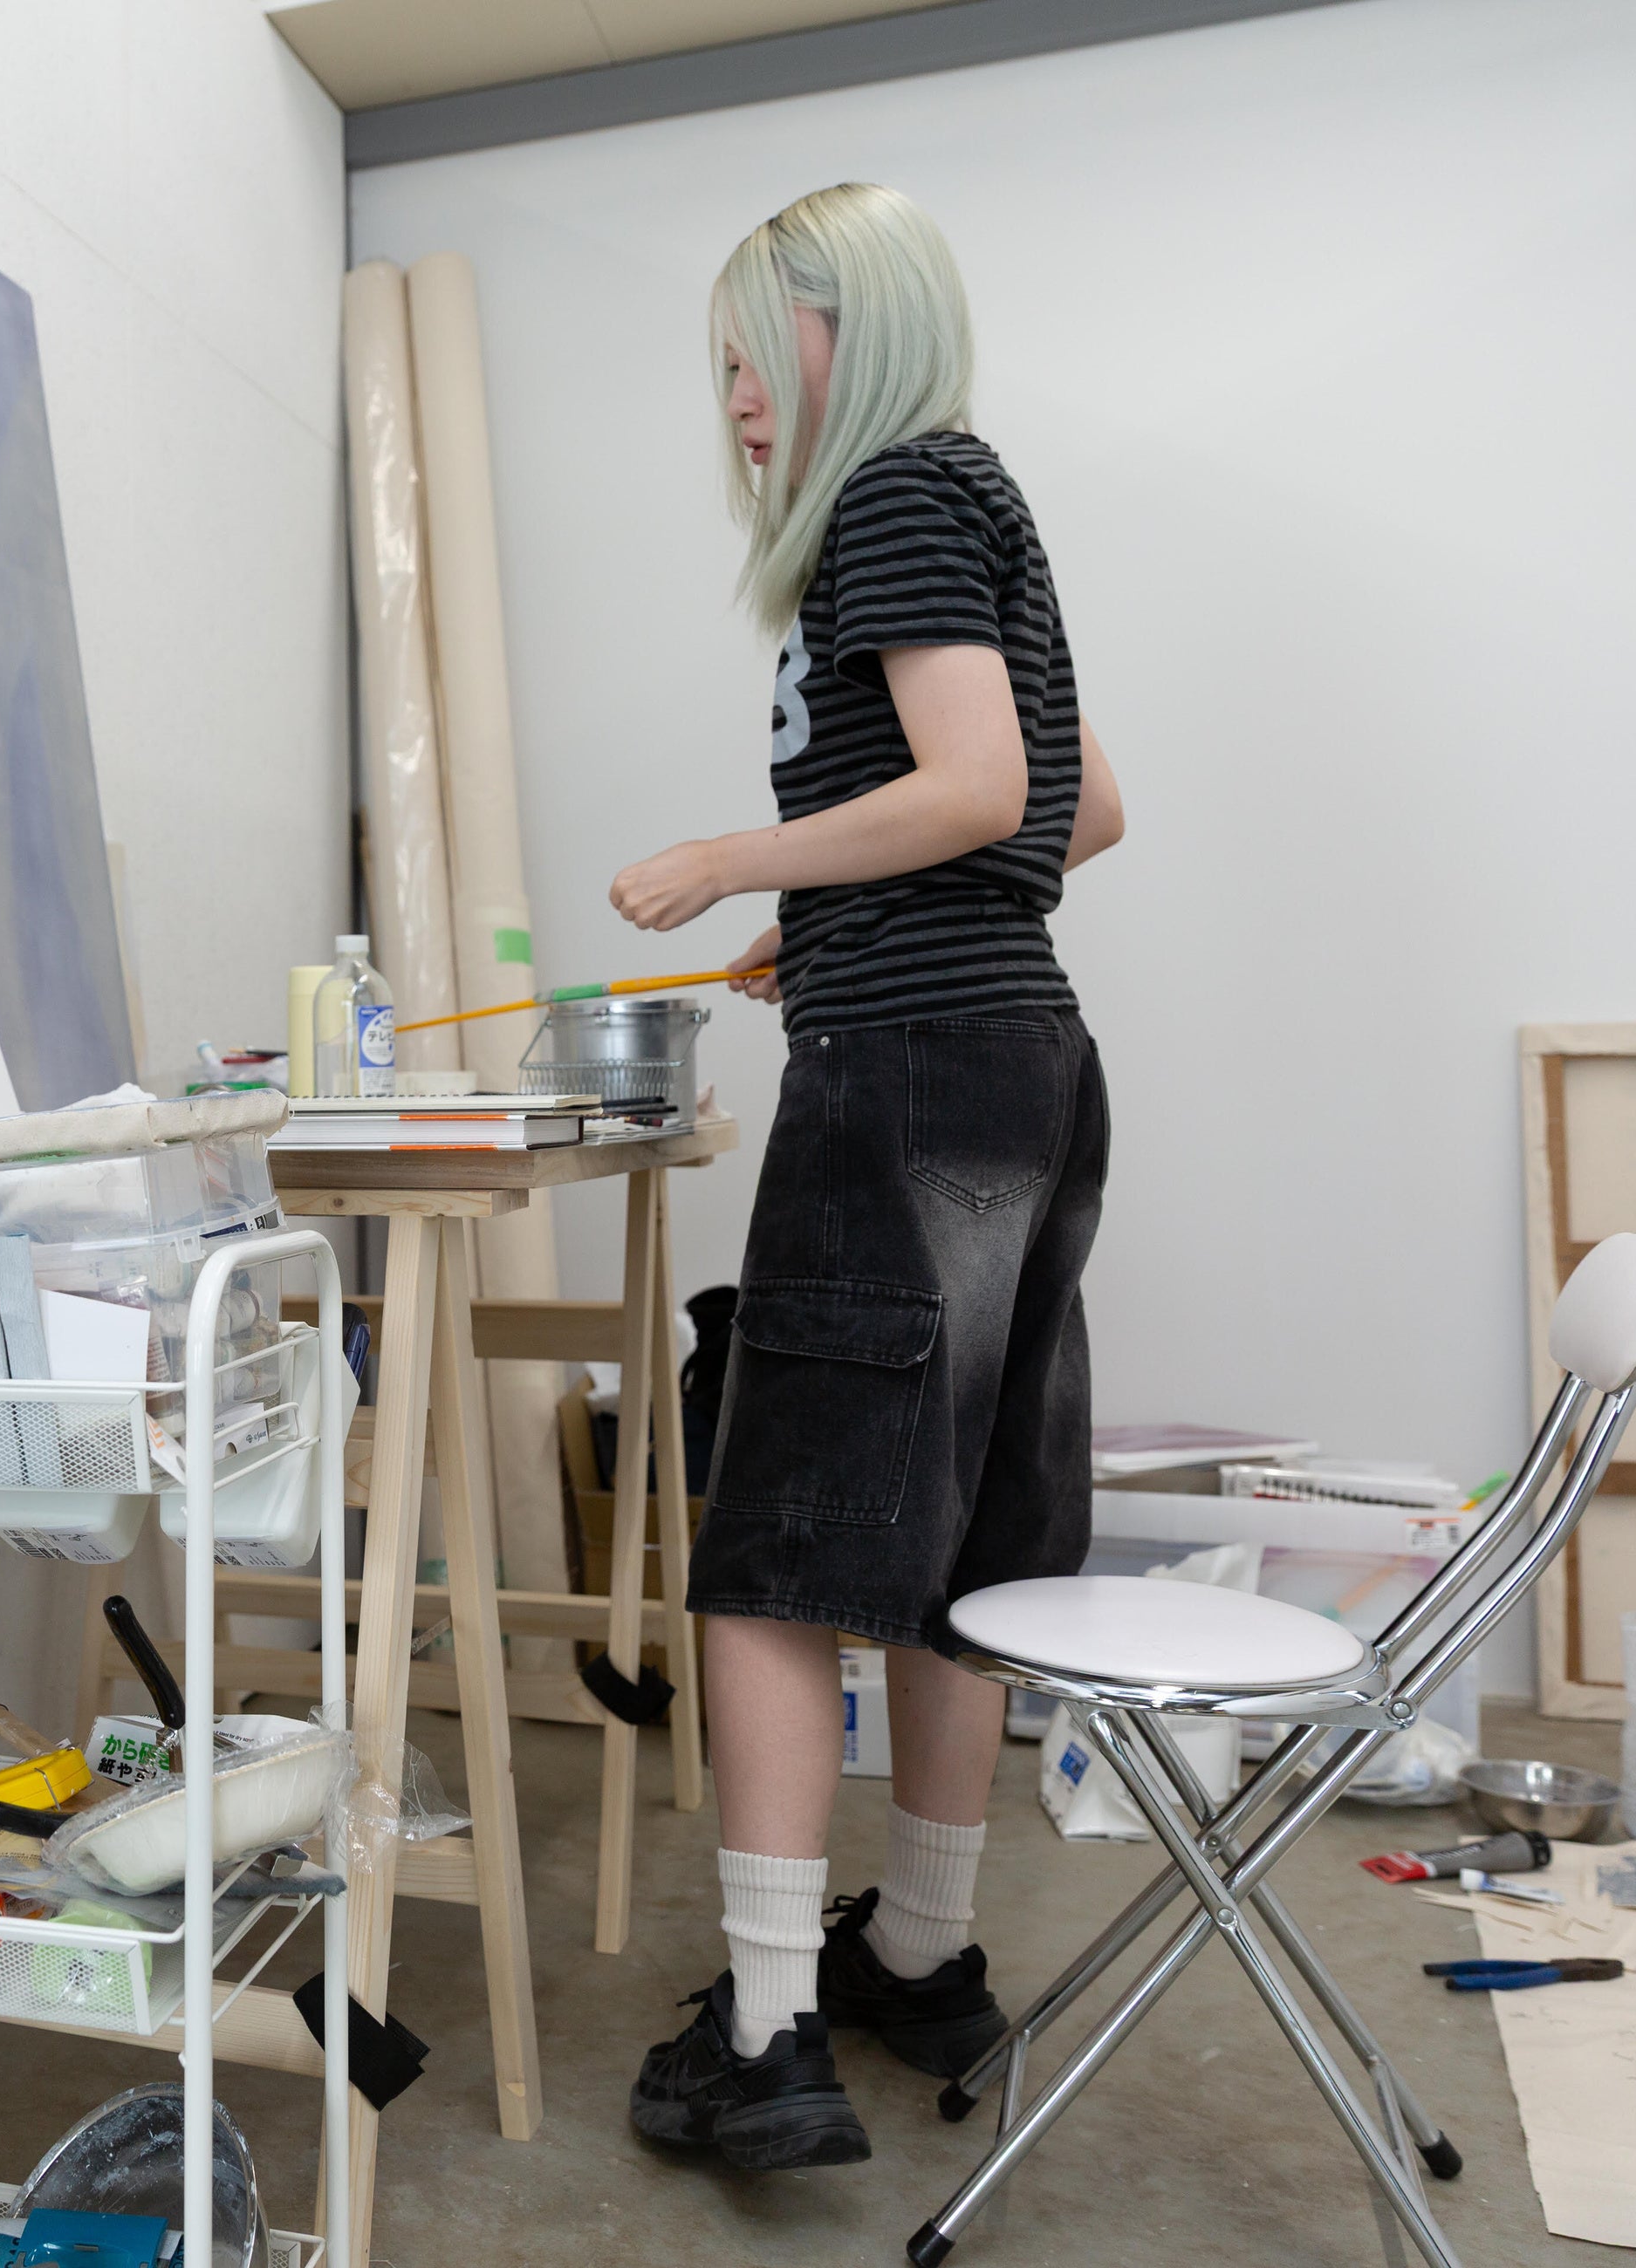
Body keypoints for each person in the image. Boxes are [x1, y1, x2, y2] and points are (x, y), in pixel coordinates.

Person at [610, 181, 1126, 2173]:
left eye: (762, 349)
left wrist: (734, 862)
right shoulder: (979, 497)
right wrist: (827, 916)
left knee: (778, 1559)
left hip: (907, 1086)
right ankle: (918, 1947)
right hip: (1022, 1067)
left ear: (862, 325)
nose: (738, 395)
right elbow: (1080, 805)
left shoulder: (894, 494)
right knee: (957, 1550)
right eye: (721, 366)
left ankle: (766, 2032)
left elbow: (989, 793)